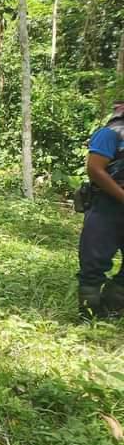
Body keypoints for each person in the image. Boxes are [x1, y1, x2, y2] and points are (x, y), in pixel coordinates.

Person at [77, 99, 124, 317]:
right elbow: (95, 169)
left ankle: (114, 305)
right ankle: (90, 313)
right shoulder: (111, 134)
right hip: (107, 204)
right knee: (94, 261)